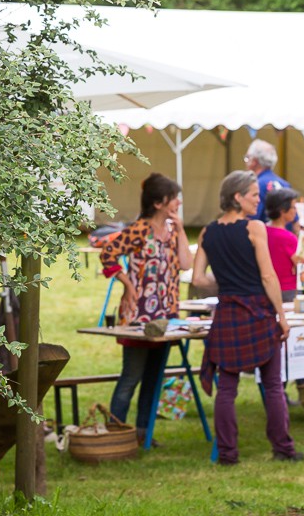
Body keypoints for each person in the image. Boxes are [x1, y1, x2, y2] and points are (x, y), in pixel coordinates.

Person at [194, 171, 303, 465]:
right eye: (254, 194)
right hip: (258, 311)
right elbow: (268, 276)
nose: (259, 199)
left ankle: (228, 455)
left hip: (228, 311)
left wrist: (228, 285)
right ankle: (283, 449)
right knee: (273, 385)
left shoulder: (208, 232)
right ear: (237, 197)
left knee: (227, 389)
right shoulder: (254, 228)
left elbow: (198, 278)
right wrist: (281, 315)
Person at [100, 173, 193, 445]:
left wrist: (183, 229)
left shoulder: (173, 231)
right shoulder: (139, 230)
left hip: (166, 315)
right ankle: (116, 434)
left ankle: (144, 435)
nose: (178, 202)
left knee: (154, 379)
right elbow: (108, 253)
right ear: (160, 202)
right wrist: (128, 284)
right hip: (138, 316)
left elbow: (186, 264)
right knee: (131, 377)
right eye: (174, 197)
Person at [264, 187, 301, 302]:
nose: (295, 211)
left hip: (267, 289)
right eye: (293, 207)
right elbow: (300, 263)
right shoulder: (288, 238)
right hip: (288, 289)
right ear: (282, 210)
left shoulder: (261, 231)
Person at [244, 138, 290, 221]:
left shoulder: (256, 185)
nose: (246, 162)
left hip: (263, 233)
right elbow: (295, 222)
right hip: (285, 233)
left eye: (247, 158)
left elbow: (251, 218)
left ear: (254, 161)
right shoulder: (285, 184)